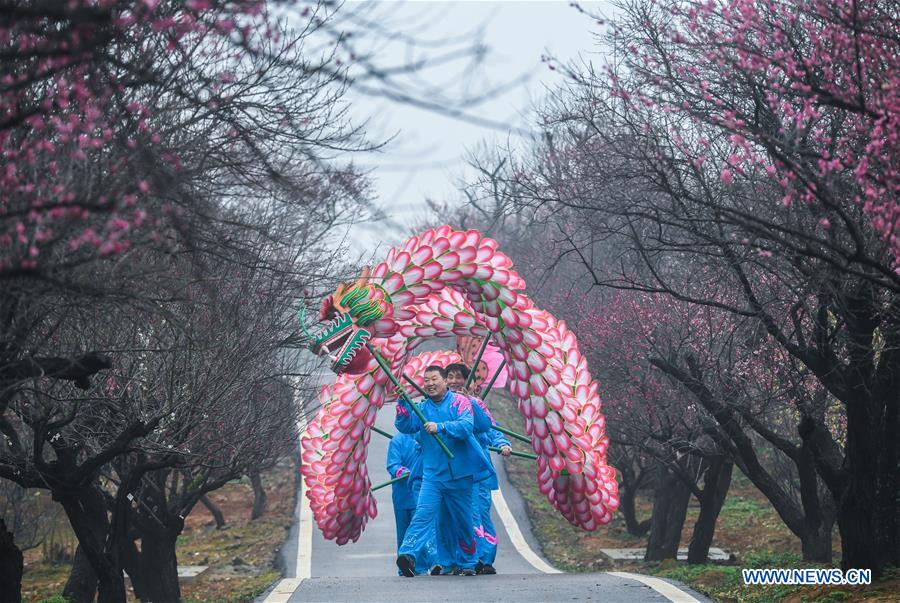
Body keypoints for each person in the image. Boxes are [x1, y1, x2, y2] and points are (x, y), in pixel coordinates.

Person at [394, 365, 493, 577]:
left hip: (461, 477)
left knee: (464, 521)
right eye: (426, 380)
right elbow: (405, 426)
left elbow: (467, 425)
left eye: (434, 379)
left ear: (444, 381)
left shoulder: (460, 402)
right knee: (424, 515)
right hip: (433, 477)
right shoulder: (421, 408)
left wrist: (441, 427)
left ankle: (468, 561)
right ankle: (408, 554)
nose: (430, 384)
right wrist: (402, 403)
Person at [445, 362, 511, 575]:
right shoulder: (440, 405)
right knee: (456, 516)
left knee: (479, 513)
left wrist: (502, 443)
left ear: (472, 383)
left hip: (478, 471)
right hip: (452, 471)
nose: (454, 381)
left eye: (459, 377)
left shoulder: (477, 404)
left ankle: (484, 558)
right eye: (450, 377)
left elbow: (491, 429)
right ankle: (461, 559)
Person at [386, 431, 431, 575]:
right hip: (402, 495)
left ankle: (421, 566)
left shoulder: (427, 436)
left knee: (419, 531)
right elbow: (392, 464)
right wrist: (401, 471)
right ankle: (404, 566)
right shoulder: (397, 441)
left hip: (422, 493)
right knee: (403, 532)